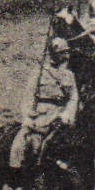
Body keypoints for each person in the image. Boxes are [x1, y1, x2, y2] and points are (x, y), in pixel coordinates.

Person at [9, 37, 78, 176]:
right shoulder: (40, 73)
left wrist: (68, 114)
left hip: (61, 116)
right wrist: (27, 117)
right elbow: (28, 97)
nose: (65, 56)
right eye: (62, 53)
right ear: (53, 54)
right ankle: (23, 177)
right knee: (28, 143)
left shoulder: (69, 75)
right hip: (42, 117)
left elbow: (73, 98)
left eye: (66, 52)